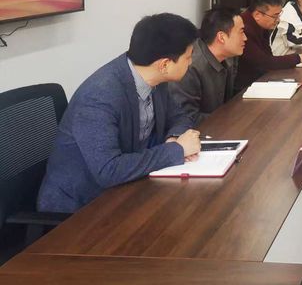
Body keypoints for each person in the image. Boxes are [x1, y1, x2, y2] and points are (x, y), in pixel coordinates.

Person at [37, 13, 201, 213]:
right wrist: (176, 151)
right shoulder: (99, 96)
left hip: (127, 188)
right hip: (80, 208)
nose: (191, 63)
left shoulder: (154, 78)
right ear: (164, 64)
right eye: (188, 57)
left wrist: (174, 137)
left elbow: (179, 116)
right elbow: (108, 170)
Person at [169, 8, 246, 126]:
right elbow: (187, 117)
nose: (245, 38)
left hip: (219, 127)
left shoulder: (229, 56)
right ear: (221, 37)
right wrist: (230, 119)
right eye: (241, 32)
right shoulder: (190, 66)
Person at [236, 0, 302, 92]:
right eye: (275, 16)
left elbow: (268, 57)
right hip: (244, 88)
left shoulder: (262, 24)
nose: (278, 20)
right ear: (257, 15)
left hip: (259, 80)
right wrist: (299, 58)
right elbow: (264, 62)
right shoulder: (244, 29)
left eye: (279, 15)